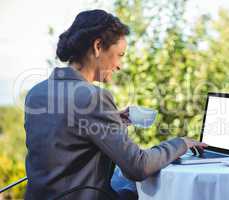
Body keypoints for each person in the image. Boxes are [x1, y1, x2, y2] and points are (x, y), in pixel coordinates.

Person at [24, 9, 207, 200]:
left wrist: (112, 119)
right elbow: (138, 166)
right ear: (97, 46)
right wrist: (182, 143)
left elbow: (65, 138)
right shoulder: (92, 97)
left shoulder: (36, 93)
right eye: (119, 55)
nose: (119, 65)